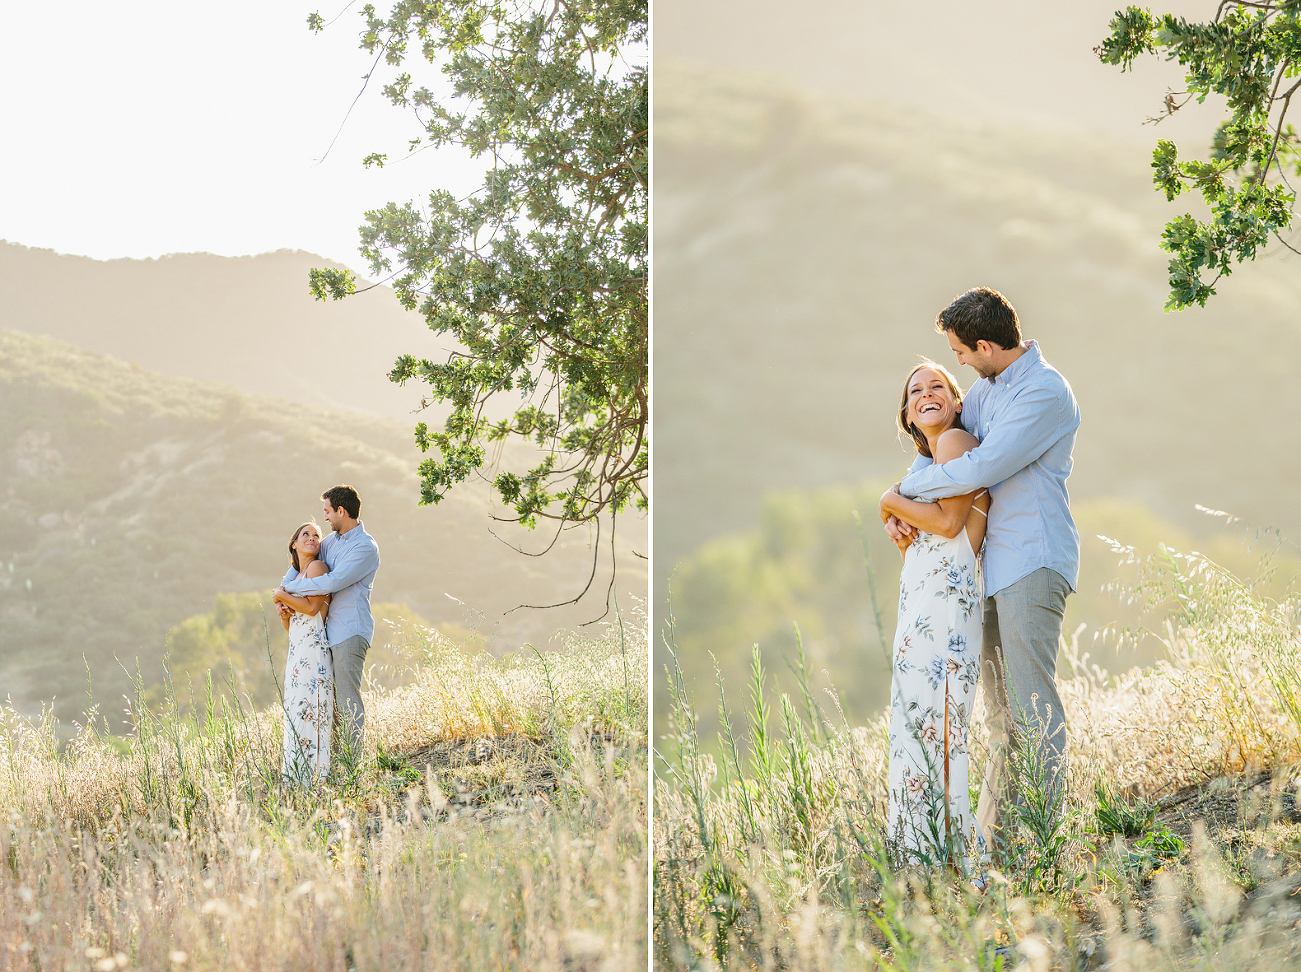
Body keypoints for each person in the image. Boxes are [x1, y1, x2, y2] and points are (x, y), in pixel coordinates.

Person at [882, 287, 1080, 862]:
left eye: (961, 353)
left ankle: (1042, 844)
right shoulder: (988, 395)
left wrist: (896, 498)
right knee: (999, 718)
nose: (959, 364)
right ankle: (999, 846)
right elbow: (938, 443)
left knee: (1030, 704)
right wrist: (901, 515)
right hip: (986, 571)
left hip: (1031, 559)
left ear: (986, 345)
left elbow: (984, 465)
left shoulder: (1044, 392)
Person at [878, 361, 990, 868]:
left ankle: (950, 860)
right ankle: (920, 858)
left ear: (956, 399)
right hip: (921, 606)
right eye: (916, 390)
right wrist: (899, 523)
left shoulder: (956, 444)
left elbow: (948, 527)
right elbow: (922, 550)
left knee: (938, 728)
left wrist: (889, 501)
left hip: (947, 605)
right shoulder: (927, 467)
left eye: (937, 386)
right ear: (907, 412)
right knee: (916, 725)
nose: (926, 394)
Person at [274, 484, 380, 759]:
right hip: (324, 635)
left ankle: (351, 766)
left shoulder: (365, 547)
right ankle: (331, 764)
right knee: (328, 705)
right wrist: (284, 592)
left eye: (327, 511)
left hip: (348, 630)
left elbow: (333, 581)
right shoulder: (329, 543)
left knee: (346, 701)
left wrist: (288, 593)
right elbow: (299, 569)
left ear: (341, 511)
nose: (325, 518)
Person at [275, 521, 333, 784]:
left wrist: (281, 595)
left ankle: (315, 778)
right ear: (294, 544)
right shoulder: (296, 578)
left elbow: (311, 610)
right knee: (297, 712)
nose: (312, 538)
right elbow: (292, 626)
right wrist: (284, 612)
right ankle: (297, 777)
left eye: (317, 535)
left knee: (312, 709)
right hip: (297, 652)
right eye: (305, 534)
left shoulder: (317, 568)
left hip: (313, 650)